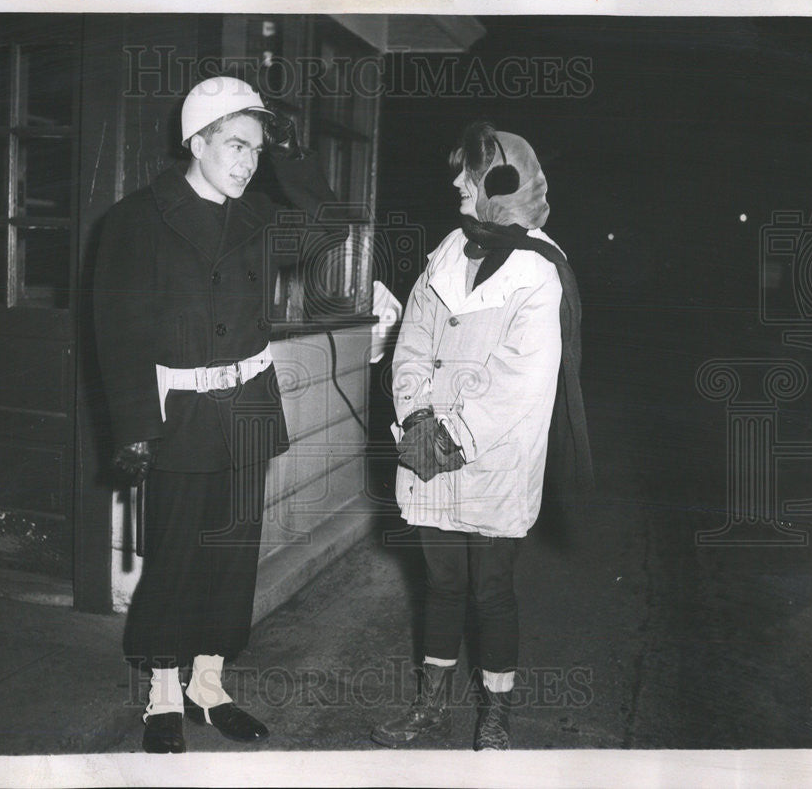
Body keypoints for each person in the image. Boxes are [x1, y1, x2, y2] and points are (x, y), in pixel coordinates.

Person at [93, 76, 339, 754]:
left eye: (256, 151)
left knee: (234, 555)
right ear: (195, 142)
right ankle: (163, 692)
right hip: (181, 413)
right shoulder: (135, 220)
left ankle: (210, 682)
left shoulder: (258, 215)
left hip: (250, 409)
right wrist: (136, 427)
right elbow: (117, 333)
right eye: (235, 145)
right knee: (175, 557)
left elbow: (328, 226)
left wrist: (290, 154)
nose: (246, 161)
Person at [371, 121, 593, 751]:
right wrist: (414, 417)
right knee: (441, 587)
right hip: (425, 449)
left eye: (466, 174)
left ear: (498, 183)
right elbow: (411, 340)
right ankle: (430, 708)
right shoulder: (449, 249)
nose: (455, 184)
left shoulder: (539, 272)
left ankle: (495, 713)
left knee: (491, 591)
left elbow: (521, 382)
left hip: (489, 459)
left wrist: (451, 439)